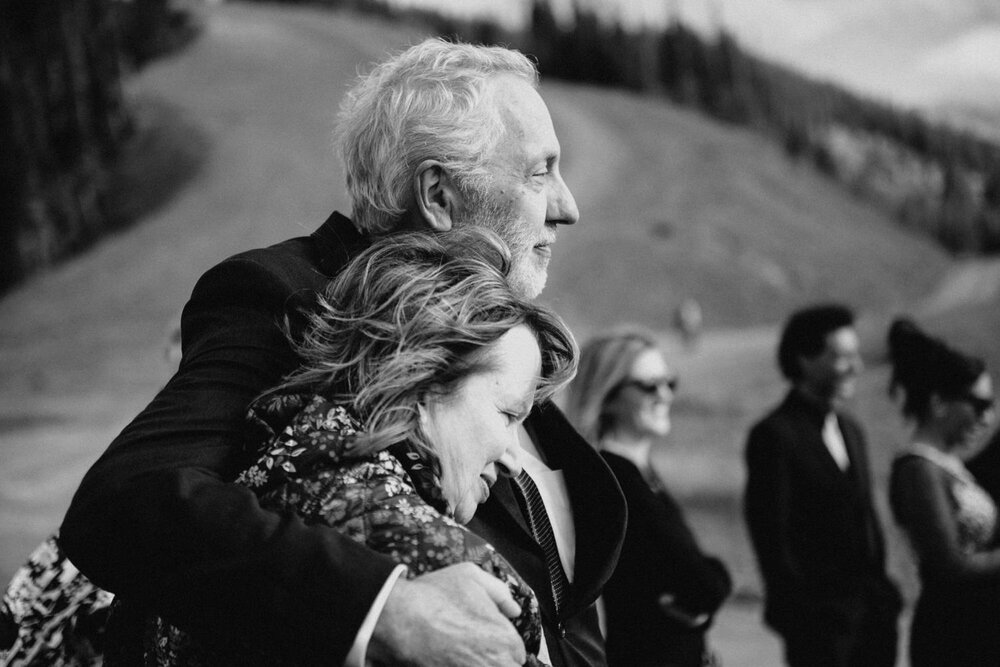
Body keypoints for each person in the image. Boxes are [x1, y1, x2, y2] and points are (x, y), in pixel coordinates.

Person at [59, 38, 626, 667]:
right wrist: (384, 611)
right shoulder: (288, 297)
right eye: (540, 171)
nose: (568, 207)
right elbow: (128, 500)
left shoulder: (495, 336)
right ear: (439, 195)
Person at [141, 229, 573, 665]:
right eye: (507, 414)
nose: (516, 459)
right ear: (419, 383)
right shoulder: (461, 579)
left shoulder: (235, 503)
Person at [743, 304, 901, 667]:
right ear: (803, 359)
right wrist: (807, 618)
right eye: (841, 357)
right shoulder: (774, 436)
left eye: (856, 355)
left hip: (874, 624)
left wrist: (885, 597)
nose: (857, 367)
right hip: (820, 634)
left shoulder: (852, 431)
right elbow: (771, 536)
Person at [563, 328, 732, 667]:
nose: (665, 395)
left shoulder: (640, 472)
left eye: (670, 382)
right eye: (648, 386)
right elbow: (704, 584)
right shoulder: (614, 481)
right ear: (608, 396)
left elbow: (699, 584)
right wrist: (708, 584)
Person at [886, 317, 1000, 666]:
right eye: (978, 405)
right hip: (952, 632)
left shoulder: (950, 465)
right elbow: (949, 566)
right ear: (938, 403)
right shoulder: (919, 470)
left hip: (976, 627)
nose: (987, 417)